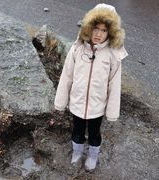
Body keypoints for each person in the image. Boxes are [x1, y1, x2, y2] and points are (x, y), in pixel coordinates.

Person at [54, 3, 128, 171]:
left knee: (94, 133)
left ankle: (93, 155)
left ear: (111, 32)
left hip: (97, 105)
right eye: (96, 28)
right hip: (77, 102)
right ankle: (77, 152)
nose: (98, 34)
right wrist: (61, 101)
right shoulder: (78, 48)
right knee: (77, 131)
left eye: (103, 30)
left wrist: (111, 112)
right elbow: (67, 75)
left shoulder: (112, 55)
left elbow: (114, 86)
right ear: (89, 27)